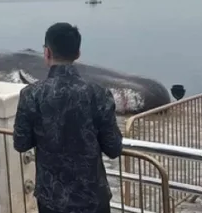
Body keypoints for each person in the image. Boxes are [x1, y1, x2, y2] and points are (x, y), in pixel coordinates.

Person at [13, 23, 123, 213]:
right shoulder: (99, 94)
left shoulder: (31, 94)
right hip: (93, 199)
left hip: (51, 199)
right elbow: (113, 148)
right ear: (78, 53)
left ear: (47, 53)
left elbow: (21, 143)